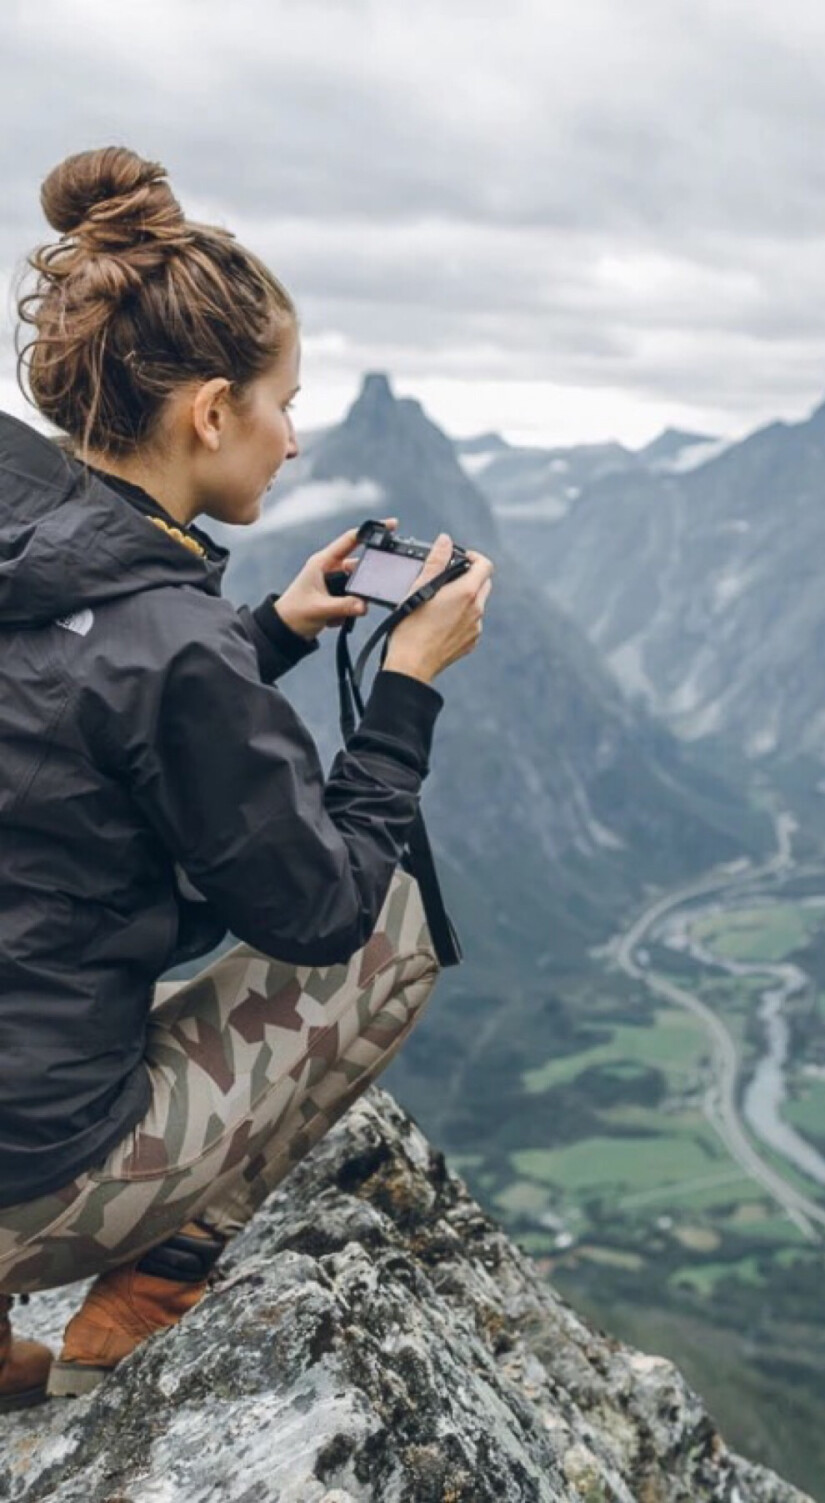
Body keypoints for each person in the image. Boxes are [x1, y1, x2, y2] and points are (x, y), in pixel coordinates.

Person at [0, 145, 493, 1408]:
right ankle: (151, 1284)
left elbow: (75, 716)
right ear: (209, 411)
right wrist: (407, 689)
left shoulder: (42, 561)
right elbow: (315, 911)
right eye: (283, 400)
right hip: (28, 1177)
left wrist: (266, 633)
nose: (295, 435)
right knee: (390, 923)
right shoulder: (167, 643)